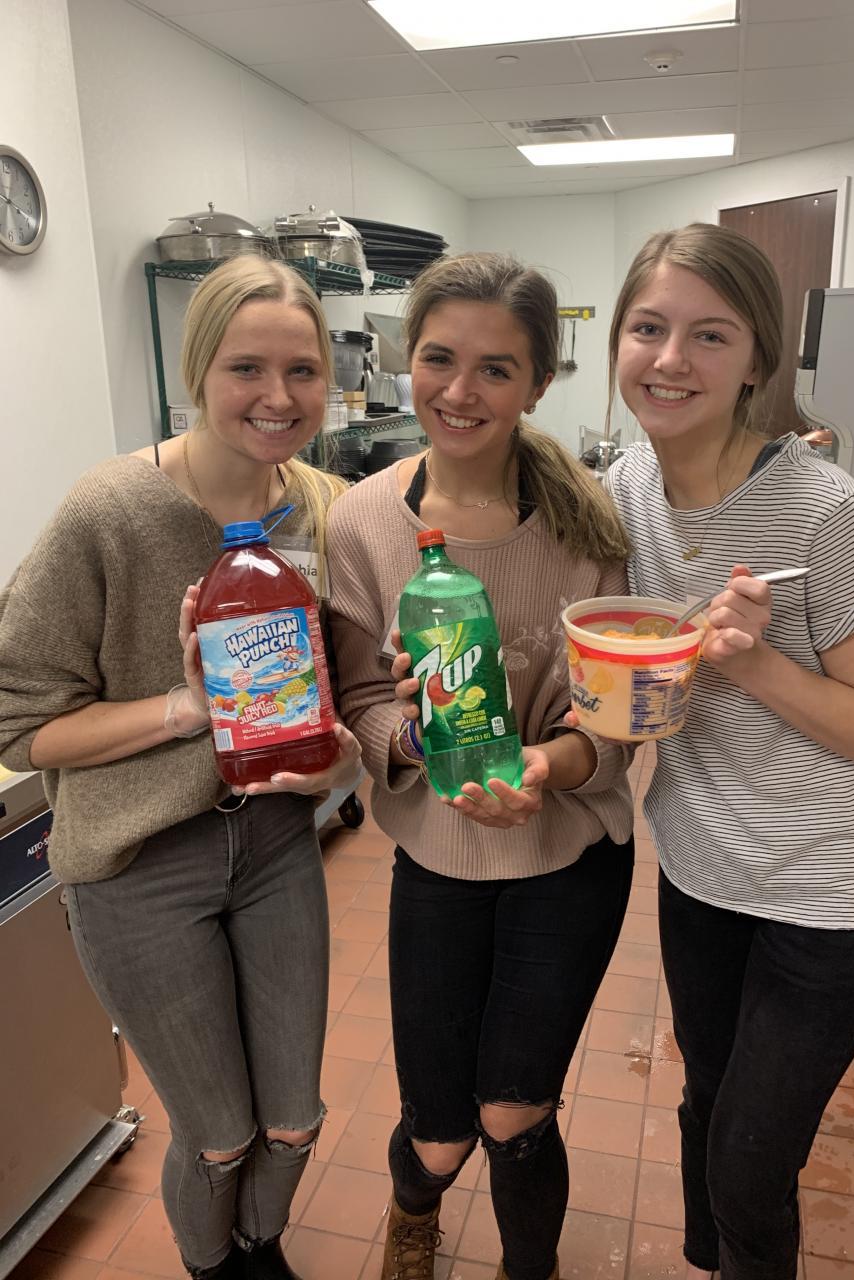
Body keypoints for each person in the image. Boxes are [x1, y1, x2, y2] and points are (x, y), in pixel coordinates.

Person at [0, 255, 362, 1280]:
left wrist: (338, 752)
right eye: (247, 367)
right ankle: (220, 1267)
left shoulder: (327, 510)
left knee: (292, 1117)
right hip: (139, 868)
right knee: (219, 1133)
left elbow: (341, 687)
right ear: (197, 370)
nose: (278, 396)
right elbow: (19, 722)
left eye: (302, 370)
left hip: (278, 846)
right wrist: (184, 710)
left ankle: (260, 1248)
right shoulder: (109, 512)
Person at [602, 222, 854, 1280]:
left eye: (710, 335)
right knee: (706, 1100)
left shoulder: (830, 513)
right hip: (701, 871)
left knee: (748, 1167)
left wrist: (749, 663)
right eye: (649, 328)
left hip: (830, 896)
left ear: (756, 363)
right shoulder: (626, 488)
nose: (670, 359)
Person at [325, 252, 636, 1280]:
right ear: (407, 360)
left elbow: (619, 718)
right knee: (441, 1132)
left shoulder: (592, 519)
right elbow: (361, 701)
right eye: (439, 358)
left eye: (497, 369)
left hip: (569, 856)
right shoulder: (363, 522)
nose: (460, 391)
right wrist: (421, 738)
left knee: (516, 1115)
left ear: (538, 383)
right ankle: (413, 1210)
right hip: (438, 860)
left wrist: (546, 763)